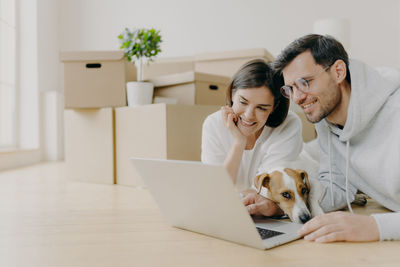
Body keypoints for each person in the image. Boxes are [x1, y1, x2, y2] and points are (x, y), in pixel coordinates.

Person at [267, 34, 400, 242]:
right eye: (290, 88)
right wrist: (278, 206)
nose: (297, 98)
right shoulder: (325, 119)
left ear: (338, 72)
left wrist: (375, 226)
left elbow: (374, 226)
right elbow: (338, 187)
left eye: (305, 82)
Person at [201, 59, 303, 216]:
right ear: (232, 93)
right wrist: (238, 142)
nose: (248, 115)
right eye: (243, 102)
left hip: (265, 214)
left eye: (262, 108)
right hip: (229, 212)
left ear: (274, 107)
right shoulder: (213, 124)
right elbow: (217, 190)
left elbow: (270, 192)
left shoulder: (289, 124)